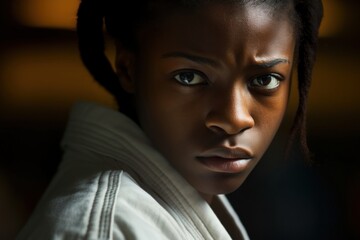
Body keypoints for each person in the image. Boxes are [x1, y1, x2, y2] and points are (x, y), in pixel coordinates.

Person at [17, 0, 323, 239]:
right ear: (127, 69)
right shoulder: (107, 232)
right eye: (189, 77)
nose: (234, 118)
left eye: (266, 80)